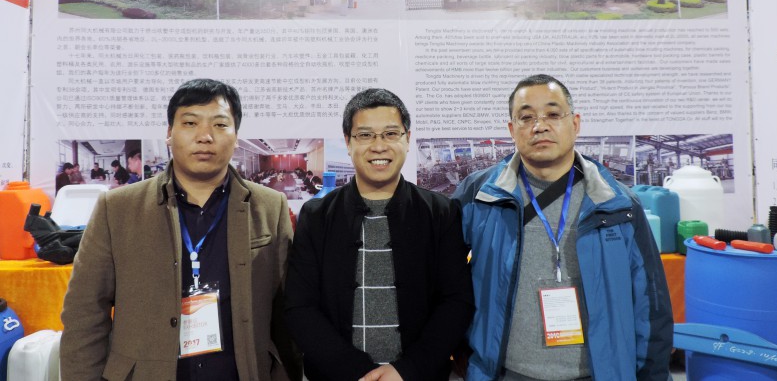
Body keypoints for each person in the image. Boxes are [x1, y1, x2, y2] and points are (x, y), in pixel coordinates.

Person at [61, 78, 301, 381]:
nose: (205, 136)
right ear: (169, 134)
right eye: (190, 123)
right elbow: (85, 314)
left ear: (236, 137)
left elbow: (287, 312)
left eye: (219, 125)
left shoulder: (269, 206)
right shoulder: (118, 208)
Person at [453, 75, 672, 381]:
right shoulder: (480, 195)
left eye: (553, 114)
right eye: (526, 117)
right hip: (505, 373)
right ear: (512, 129)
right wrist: (462, 350)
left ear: (575, 123)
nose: (539, 126)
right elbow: (443, 278)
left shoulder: (617, 204)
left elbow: (651, 304)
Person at [285, 88, 474, 381]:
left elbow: (456, 301)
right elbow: (300, 307)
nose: (378, 146)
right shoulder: (317, 215)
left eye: (390, 134)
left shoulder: (440, 212)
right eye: (365, 135)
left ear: (407, 139)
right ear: (348, 142)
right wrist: (356, 371)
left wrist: (407, 370)